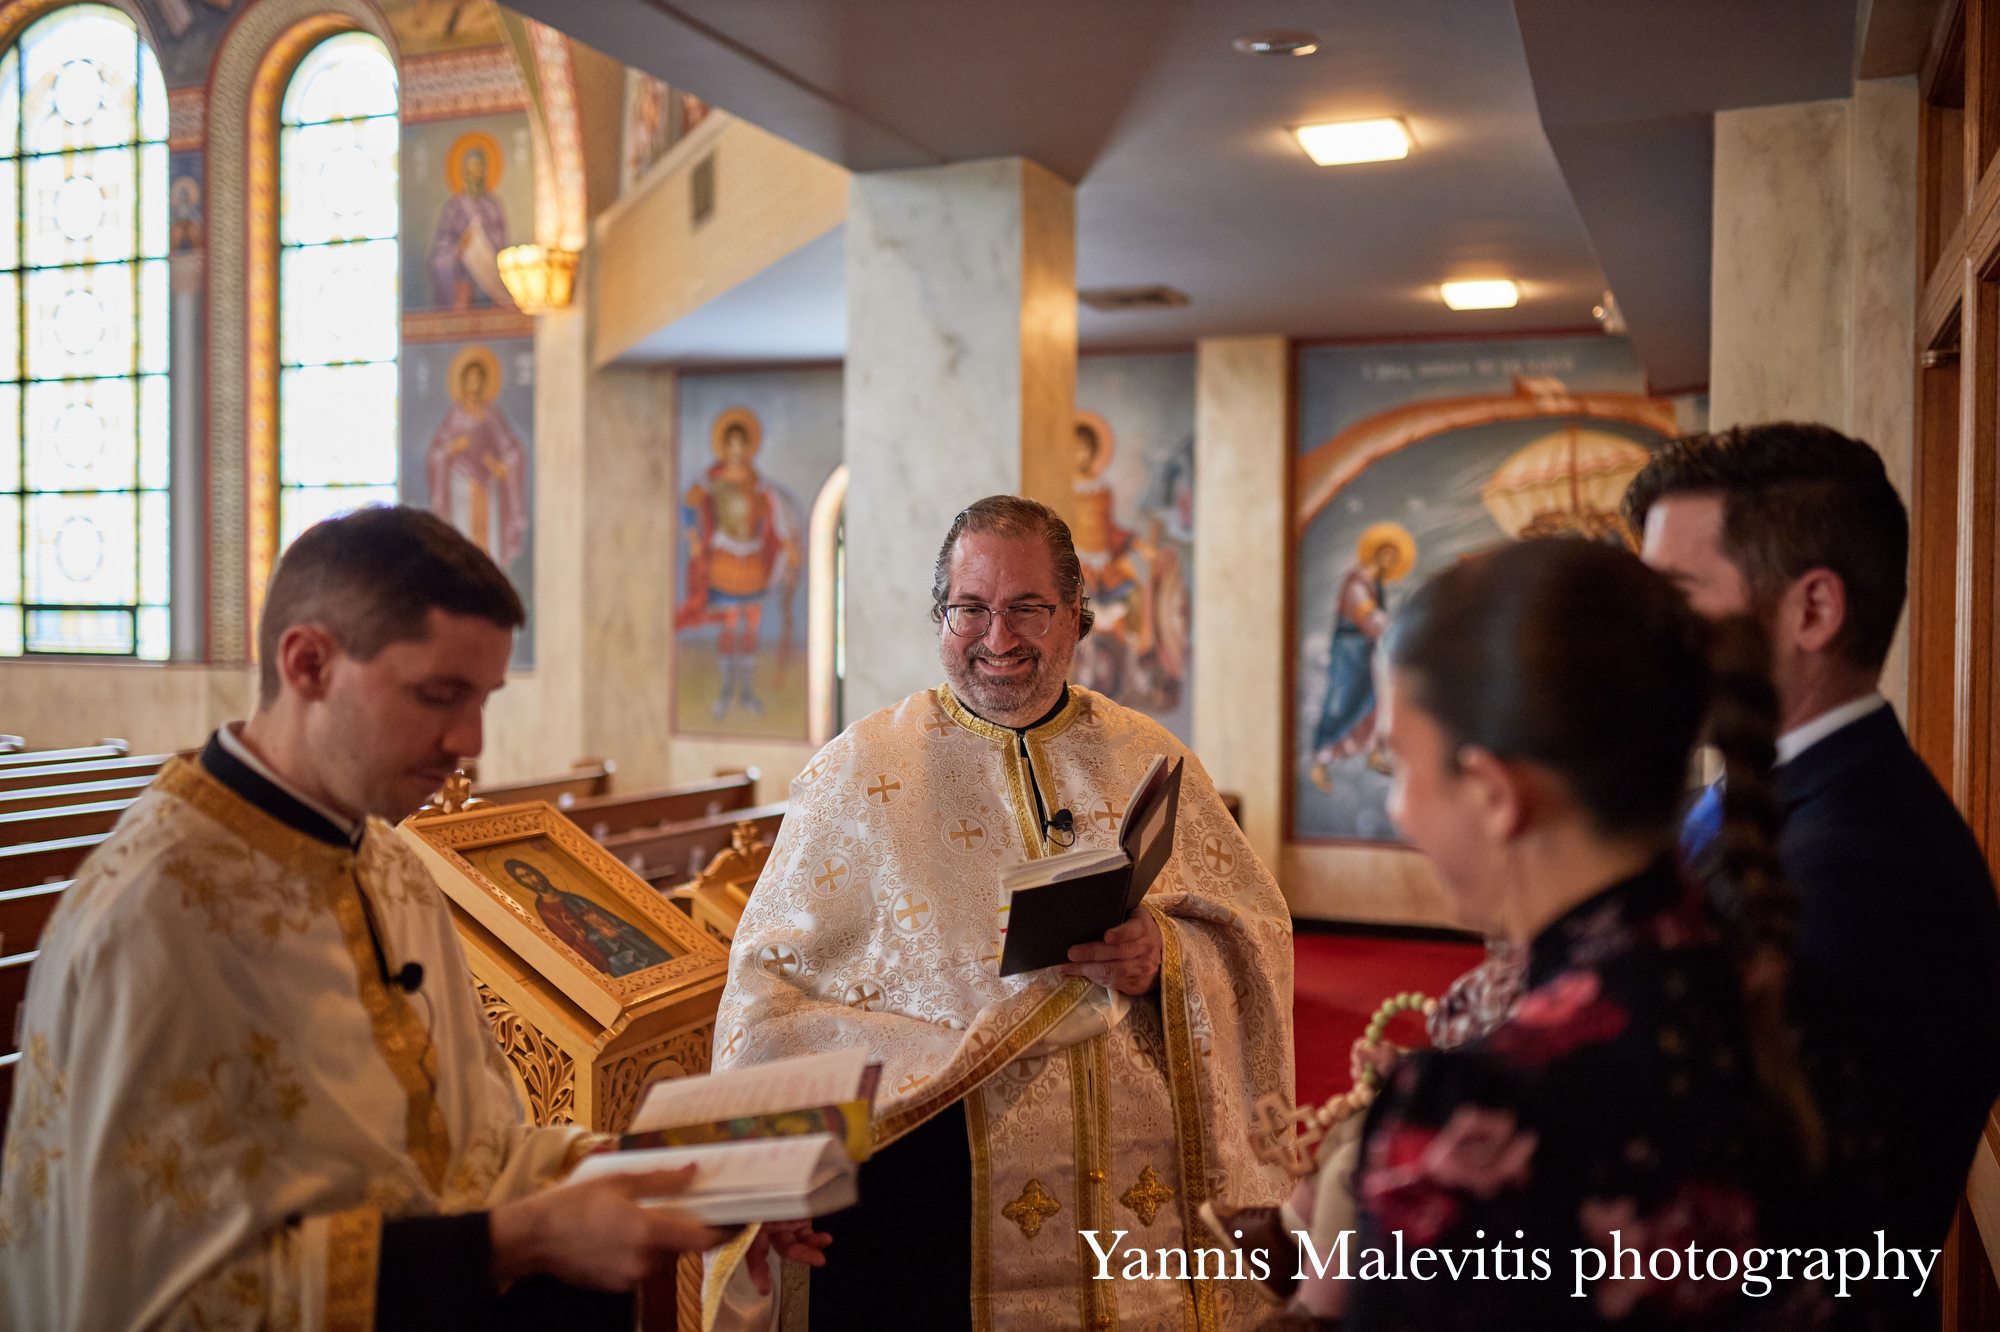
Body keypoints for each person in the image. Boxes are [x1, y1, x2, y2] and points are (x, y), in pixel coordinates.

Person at [0, 506, 723, 1329]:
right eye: (439, 695)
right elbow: (153, 1301)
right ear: (308, 663)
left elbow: (475, 1152)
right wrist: (512, 1244)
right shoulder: (156, 917)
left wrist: (652, 1177)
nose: (469, 740)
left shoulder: (392, 866)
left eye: (483, 698)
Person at [706, 495, 1294, 1330]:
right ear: (939, 615)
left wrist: (1163, 951)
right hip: (935, 1206)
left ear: (1077, 618)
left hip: (1131, 1200)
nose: (998, 639)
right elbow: (766, 995)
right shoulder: (855, 774)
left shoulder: (1150, 756)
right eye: (970, 609)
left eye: (1027, 609)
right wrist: (765, 1170)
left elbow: (1253, 935)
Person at [1249, 539, 1826, 1329]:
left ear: (1492, 792)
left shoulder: (1479, 1114)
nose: (1398, 808)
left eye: (1402, 765)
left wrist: (1320, 1299)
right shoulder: (1784, 995)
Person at [1628, 423, 2000, 1321]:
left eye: (1678, 596)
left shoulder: (1858, 873)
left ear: (1812, 611)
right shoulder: (1787, 808)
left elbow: (1763, 1242)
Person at [676, 411, 802, 720]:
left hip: (753, 561)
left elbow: (775, 518)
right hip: (725, 558)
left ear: (748, 448)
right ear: (724, 448)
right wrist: (693, 538)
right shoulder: (711, 480)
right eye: (730, 445)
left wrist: (787, 549)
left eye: (741, 445)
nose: (736, 452)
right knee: (730, 626)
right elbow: (689, 505)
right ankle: (725, 692)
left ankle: (746, 693)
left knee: (752, 629)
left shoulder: (759, 484)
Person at [1308, 522, 1415, 792]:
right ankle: (1321, 762)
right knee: (1341, 705)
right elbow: (1366, 615)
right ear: (1375, 554)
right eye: (1385, 554)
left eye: (1393, 557)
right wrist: (1391, 629)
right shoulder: (1357, 580)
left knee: (1378, 700)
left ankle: (1377, 753)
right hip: (1350, 654)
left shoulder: (1376, 584)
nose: (1388, 560)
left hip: (1368, 651)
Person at [425, 348, 529, 567]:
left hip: (486, 487)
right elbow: (437, 453)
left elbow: (509, 447)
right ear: (463, 383)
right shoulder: (455, 416)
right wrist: (453, 447)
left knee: (488, 540)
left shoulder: (492, 414)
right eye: (470, 380)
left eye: (478, 380)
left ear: (483, 383)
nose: (474, 385)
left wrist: (504, 465)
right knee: (462, 538)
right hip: (460, 484)